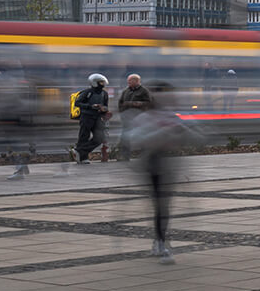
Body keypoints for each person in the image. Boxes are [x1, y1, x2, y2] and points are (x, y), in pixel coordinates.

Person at [126, 82, 198, 264]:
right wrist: (161, 133)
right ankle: (160, 241)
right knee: (160, 204)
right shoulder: (145, 118)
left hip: (169, 162)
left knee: (164, 205)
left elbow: (197, 137)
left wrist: (183, 133)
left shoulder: (172, 116)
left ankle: (160, 239)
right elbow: (134, 138)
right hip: (153, 163)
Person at [72, 73, 112, 167]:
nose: (103, 84)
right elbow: (77, 103)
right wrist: (90, 106)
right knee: (83, 137)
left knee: (100, 138)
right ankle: (83, 158)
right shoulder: (87, 92)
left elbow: (106, 105)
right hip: (86, 117)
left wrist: (104, 109)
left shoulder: (104, 93)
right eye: (101, 82)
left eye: (103, 82)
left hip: (98, 117)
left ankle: (79, 151)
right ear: (94, 82)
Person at [114, 74, 153, 159]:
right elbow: (120, 103)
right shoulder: (126, 91)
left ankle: (144, 155)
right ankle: (125, 156)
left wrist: (139, 104)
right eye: (128, 81)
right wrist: (122, 113)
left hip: (140, 117)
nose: (128, 82)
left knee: (142, 136)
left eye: (130, 81)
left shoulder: (144, 91)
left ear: (136, 81)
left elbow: (149, 103)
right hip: (127, 117)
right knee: (125, 137)